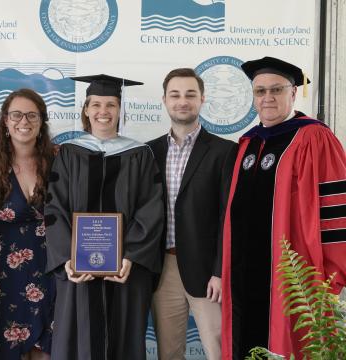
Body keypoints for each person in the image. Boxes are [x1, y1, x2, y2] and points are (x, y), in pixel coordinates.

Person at [221, 56, 346, 359]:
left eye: (276, 89)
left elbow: (336, 211)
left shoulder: (315, 138)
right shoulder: (248, 143)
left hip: (295, 281)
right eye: (260, 91)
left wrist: (331, 278)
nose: (267, 98)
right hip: (242, 275)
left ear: (293, 93)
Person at [45, 74, 164, 359]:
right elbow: (54, 208)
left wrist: (131, 256)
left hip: (125, 271)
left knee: (123, 338)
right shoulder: (69, 154)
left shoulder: (140, 155)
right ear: (86, 109)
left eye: (110, 104)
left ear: (120, 109)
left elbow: (152, 208)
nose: (103, 111)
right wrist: (67, 258)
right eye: (96, 104)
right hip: (78, 271)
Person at [147, 68, 236, 360]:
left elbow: (228, 216)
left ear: (202, 99)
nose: (182, 101)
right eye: (175, 94)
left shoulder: (224, 152)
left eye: (190, 94)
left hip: (207, 272)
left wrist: (220, 271)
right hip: (163, 270)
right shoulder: (149, 152)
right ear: (164, 99)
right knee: (168, 353)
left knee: (218, 350)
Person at [0, 88, 56, 360]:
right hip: (3, 275)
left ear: (41, 121)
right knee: (6, 349)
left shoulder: (57, 162)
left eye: (32, 115)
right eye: (17, 115)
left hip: (49, 268)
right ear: (5, 121)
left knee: (46, 348)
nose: (24, 121)